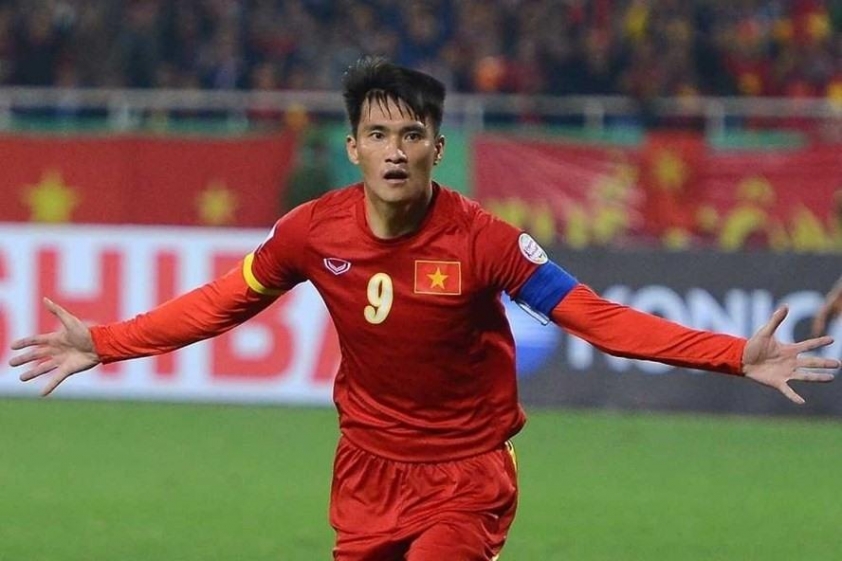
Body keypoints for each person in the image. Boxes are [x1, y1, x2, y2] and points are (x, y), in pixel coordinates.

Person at [7, 57, 840, 561]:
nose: (396, 151)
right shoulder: (311, 231)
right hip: (365, 470)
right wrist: (105, 342)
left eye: (413, 135)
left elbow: (593, 315)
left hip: (465, 478)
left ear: (438, 147)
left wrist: (733, 353)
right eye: (379, 135)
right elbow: (222, 301)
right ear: (354, 148)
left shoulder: (486, 240)